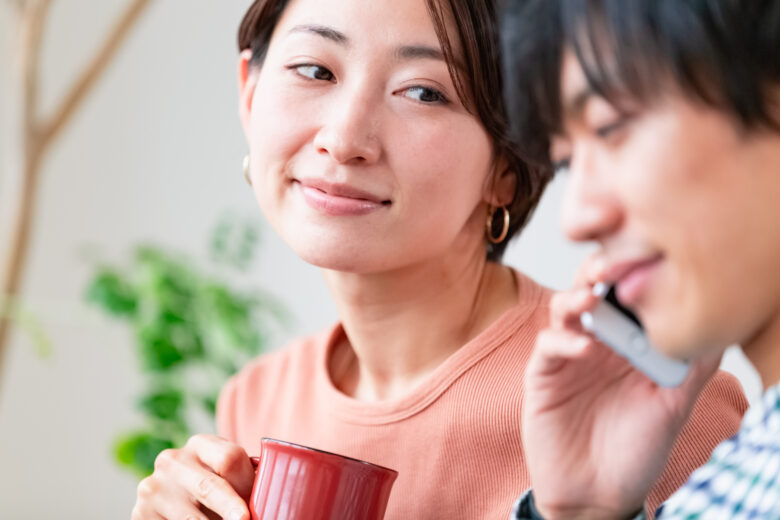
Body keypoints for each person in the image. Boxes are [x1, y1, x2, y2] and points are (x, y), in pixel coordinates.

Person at [131, 0, 749, 518]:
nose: (345, 139)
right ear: (249, 93)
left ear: (507, 169)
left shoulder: (636, 397)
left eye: (424, 91)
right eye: (315, 70)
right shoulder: (257, 400)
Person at [501, 0, 780, 518]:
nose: (577, 219)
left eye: (610, 126)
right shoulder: (735, 477)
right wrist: (585, 509)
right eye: (566, 163)